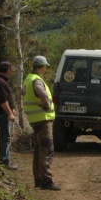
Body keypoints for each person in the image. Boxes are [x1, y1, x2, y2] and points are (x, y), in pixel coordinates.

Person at [23, 55, 60, 190]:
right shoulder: (37, 80)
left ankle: (38, 180)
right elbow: (41, 93)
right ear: (42, 67)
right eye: (45, 67)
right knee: (47, 149)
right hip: (43, 119)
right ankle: (46, 181)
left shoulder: (28, 79)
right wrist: (46, 105)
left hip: (34, 119)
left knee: (38, 150)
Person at [0, 61, 18, 170]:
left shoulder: (0, 81)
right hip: (2, 114)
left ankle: (5, 160)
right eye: (10, 70)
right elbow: (3, 101)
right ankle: (5, 162)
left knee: (5, 137)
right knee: (5, 137)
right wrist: (10, 113)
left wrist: (13, 108)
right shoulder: (0, 83)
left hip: (3, 113)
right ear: (8, 70)